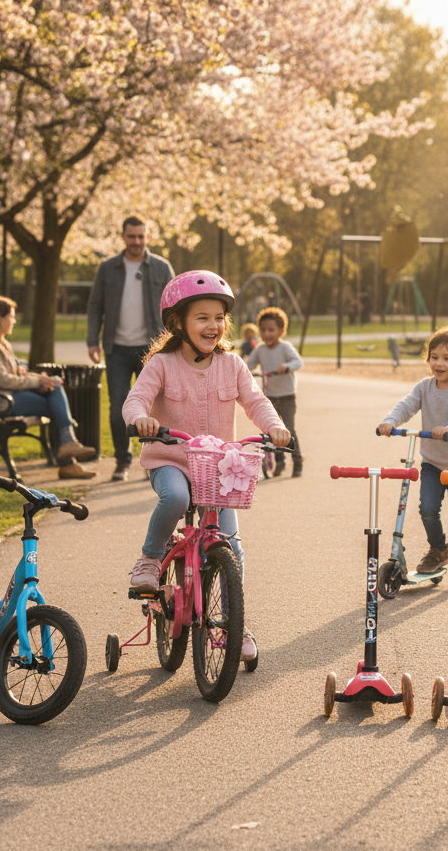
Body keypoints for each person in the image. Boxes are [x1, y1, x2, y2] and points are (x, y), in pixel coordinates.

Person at [122, 270, 290, 663]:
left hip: (219, 467)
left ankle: (234, 622)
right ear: (179, 323)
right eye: (202, 318)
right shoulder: (162, 365)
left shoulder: (231, 364)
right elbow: (136, 400)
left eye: (219, 317)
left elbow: (255, 401)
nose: (212, 326)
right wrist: (140, 419)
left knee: (230, 545)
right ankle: (150, 558)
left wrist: (276, 427)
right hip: (172, 460)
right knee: (176, 498)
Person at [377, 325, 448, 588]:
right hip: (433, 464)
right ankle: (438, 550)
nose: (439, 363)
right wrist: (390, 421)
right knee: (427, 509)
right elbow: (407, 405)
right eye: (434, 357)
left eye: (447, 358)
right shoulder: (425, 387)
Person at [0, 296, 96, 479]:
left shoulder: (0, 343)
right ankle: (68, 450)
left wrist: (42, 379)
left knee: (53, 388)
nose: (14, 320)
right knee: (55, 402)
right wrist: (39, 382)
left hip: (6, 396)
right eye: (11, 317)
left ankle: (68, 448)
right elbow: (4, 381)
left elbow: (17, 375)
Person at [86, 217, 174, 482]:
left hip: (153, 350)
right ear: (123, 237)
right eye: (131, 236)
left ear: (147, 237)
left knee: (156, 410)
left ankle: (153, 461)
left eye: (141, 236)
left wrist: (175, 342)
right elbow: (95, 307)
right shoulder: (107, 269)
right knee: (117, 409)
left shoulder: (161, 267)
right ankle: (122, 461)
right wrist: (93, 341)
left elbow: (175, 305)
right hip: (117, 350)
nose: (136, 241)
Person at [246, 307, 304, 478]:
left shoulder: (285, 347)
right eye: (263, 330)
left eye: (271, 329)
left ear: (281, 331)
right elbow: (248, 366)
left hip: (287, 397)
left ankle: (297, 459)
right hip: (269, 397)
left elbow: (298, 362)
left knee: (289, 429)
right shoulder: (260, 350)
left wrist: (287, 367)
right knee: (274, 431)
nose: (267, 333)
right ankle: (279, 461)